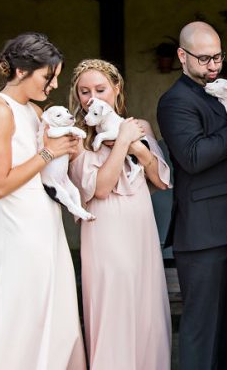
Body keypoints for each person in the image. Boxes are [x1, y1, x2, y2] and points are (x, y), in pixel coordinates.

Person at [0, 32, 86, 370]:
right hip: (14, 234)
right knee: (12, 321)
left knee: (48, 319)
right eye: (48, 77)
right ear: (20, 72)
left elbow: (46, 167)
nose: (53, 85)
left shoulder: (33, 110)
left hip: (43, 227)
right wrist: (49, 152)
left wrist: (66, 152)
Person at [156, 21, 227, 369]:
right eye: (204, 59)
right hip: (202, 234)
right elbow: (193, 157)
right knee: (201, 329)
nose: (214, 65)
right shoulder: (175, 101)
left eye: (218, 57)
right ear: (182, 57)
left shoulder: (220, 91)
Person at [67, 59, 172, 370]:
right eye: (84, 92)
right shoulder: (77, 138)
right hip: (105, 228)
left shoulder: (140, 126)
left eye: (100, 89)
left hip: (140, 226)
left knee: (145, 303)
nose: (92, 97)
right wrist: (122, 143)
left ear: (116, 89)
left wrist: (136, 145)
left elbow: (161, 179)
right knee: (113, 304)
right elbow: (100, 187)